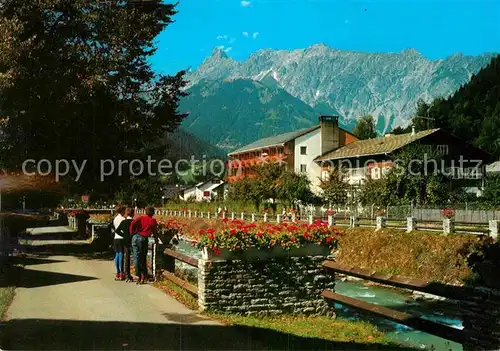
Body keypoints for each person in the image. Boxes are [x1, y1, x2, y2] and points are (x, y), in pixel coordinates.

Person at [129, 206, 158, 284]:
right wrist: (156, 239)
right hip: (143, 238)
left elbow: (132, 223)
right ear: (153, 213)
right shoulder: (153, 221)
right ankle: (143, 276)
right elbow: (155, 231)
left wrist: (132, 232)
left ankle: (138, 275)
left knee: (136, 257)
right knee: (142, 257)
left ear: (145, 212)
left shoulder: (140, 218)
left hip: (135, 237)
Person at [115, 207, 134, 282]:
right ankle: (131, 274)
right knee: (130, 256)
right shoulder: (133, 222)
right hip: (130, 240)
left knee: (122, 256)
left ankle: (122, 272)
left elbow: (117, 230)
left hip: (123, 240)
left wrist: (124, 235)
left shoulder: (121, 221)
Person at [112, 205, 126, 280]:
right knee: (121, 254)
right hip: (121, 238)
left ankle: (117, 272)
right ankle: (121, 272)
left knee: (117, 254)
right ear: (122, 211)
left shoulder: (115, 218)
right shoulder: (123, 219)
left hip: (116, 238)